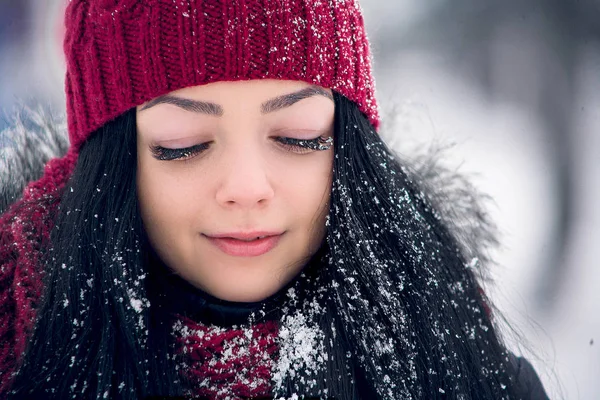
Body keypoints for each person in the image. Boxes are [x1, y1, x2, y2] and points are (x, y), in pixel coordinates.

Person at [0, 0, 549, 399]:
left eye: (297, 136)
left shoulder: (462, 369)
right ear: (112, 167)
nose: (246, 187)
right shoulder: (16, 353)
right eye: (183, 145)